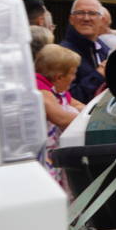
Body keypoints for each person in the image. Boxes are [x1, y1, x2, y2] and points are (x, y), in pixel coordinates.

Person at [34, 44, 85, 189]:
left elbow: (79, 105)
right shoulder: (40, 88)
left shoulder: (55, 89)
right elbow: (60, 118)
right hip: (42, 158)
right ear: (59, 77)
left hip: (52, 155)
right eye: (73, 73)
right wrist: (92, 121)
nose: (74, 78)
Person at [59, 0, 110, 103]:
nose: (86, 18)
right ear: (71, 19)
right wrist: (98, 75)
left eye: (92, 13)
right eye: (80, 13)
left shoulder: (105, 51)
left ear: (101, 20)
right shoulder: (62, 53)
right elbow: (66, 98)